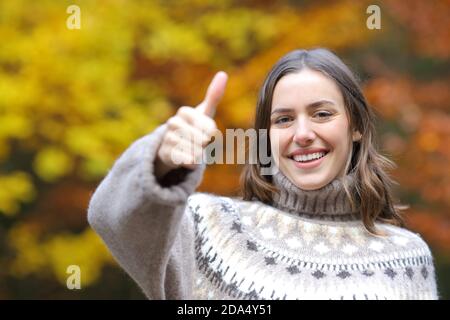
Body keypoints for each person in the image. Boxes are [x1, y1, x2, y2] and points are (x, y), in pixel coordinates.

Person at [87, 48, 439, 300]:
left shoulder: (404, 258)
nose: (302, 133)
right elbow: (110, 218)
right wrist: (161, 159)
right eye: (283, 119)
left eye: (321, 114)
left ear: (357, 126)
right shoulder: (207, 229)